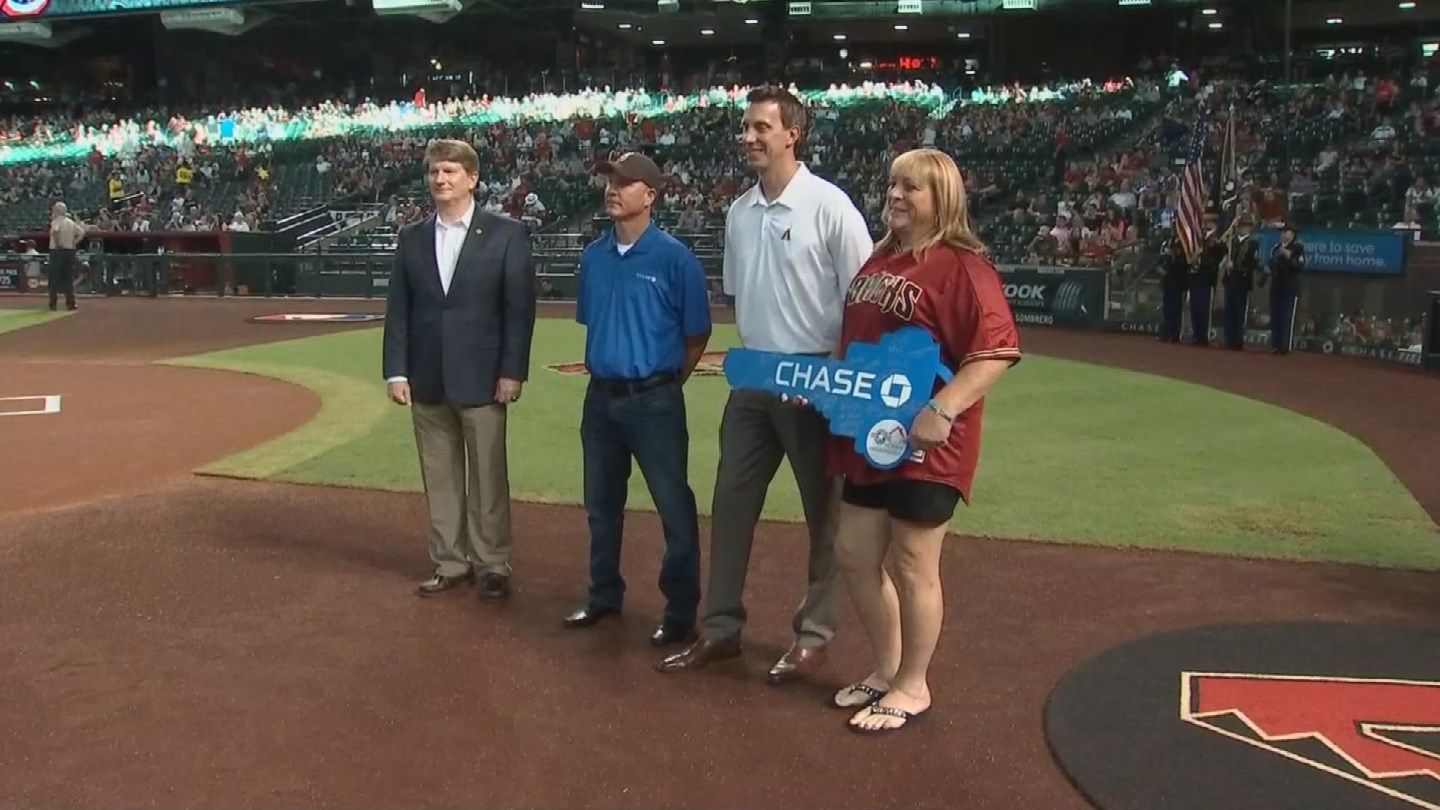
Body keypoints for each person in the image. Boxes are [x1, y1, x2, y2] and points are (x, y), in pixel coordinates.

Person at [658, 86, 874, 683]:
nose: (748, 137)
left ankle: (814, 635)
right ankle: (721, 628)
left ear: (791, 134)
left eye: (759, 127)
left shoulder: (831, 207)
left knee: (823, 517)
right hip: (754, 375)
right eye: (745, 127)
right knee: (730, 505)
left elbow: (863, 304)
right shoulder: (739, 211)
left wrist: (832, 374)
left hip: (815, 378)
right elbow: (739, 295)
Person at [829, 148, 1020, 733]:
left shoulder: (963, 265)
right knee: (854, 553)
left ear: (943, 198)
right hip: (870, 437)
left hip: (928, 444)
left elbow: (995, 352)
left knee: (914, 562)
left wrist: (943, 407)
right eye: (892, 184)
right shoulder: (879, 261)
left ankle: (914, 685)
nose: (895, 195)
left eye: (911, 187)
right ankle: (887, 669)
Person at [562, 152, 712, 646]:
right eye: (610, 180)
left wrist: (666, 385)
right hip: (600, 397)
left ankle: (680, 609)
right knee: (601, 506)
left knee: (673, 506)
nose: (613, 188)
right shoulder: (594, 255)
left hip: (654, 400)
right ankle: (604, 594)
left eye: (626, 183)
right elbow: (592, 322)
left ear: (650, 195)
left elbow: (696, 336)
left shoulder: (675, 258)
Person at [382, 139, 537, 601]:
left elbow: (518, 310)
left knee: (489, 475)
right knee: (440, 476)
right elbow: (399, 311)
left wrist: (513, 371)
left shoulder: (507, 234)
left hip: (485, 377)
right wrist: (396, 371)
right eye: (434, 171)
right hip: (427, 377)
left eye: (450, 171)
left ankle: (492, 563)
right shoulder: (411, 238)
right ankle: (450, 562)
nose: (440, 179)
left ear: (472, 178)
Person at [1265, 225, 1306, 355]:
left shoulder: (1297, 248)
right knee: (1276, 316)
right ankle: (1275, 345)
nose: (1282, 234)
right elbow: (1272, 263)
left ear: (1292, 234)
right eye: (1282, 232)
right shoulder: (1277, 248)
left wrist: (1288, 255)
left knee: (1286, 317)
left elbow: (1299, 266)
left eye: (1285, 232)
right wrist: (1267, 269)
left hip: (1289, 287)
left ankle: (1285, 345)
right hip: (1276, 286)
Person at [1221, 218, 1259, 351]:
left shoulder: (1252, 244)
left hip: (1242, 282)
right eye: (1241, 227)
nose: (1242, 229)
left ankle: (1238, 339)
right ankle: (1228, 338)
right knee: (1229, 311)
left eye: (1245, 226)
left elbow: (1252, 263)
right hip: (1230, 281)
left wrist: (1235, 266)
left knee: (1239, 311)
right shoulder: (1232, 241)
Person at [1189, 213, 1224, 347]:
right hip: (1196, 275)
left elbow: (1217, 257)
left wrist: (1202, 256)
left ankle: (1203, 336)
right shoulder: (1201, 237)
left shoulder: (1217, 238)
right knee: (1195, 306)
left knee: (1204, 307)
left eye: (1208, 222)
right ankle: (1196, 335)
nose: (1205, 224)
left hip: (1207, 275)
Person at [47, 202, 88, 311]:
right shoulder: (70, 222)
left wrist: (58, 243)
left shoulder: (56, 221)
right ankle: (71, 303)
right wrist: (74, 242)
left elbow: (55, 231)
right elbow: (82, 233)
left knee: (54, 278)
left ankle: (53, 304)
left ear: (57, 210)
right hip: (70, 251)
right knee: (68, 278)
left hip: (57, 251)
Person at [1156, 235, 1188, 343]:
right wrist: (1160, 269)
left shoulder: (1183, 243)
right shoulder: (1166, 242)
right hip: (1166, 280)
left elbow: (1183, 262)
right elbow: (1160, 260)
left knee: (1175, 308)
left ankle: (1174, 334)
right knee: (1166, 308)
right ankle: (1165, 332)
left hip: (1177, 280)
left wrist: (1174, 255)